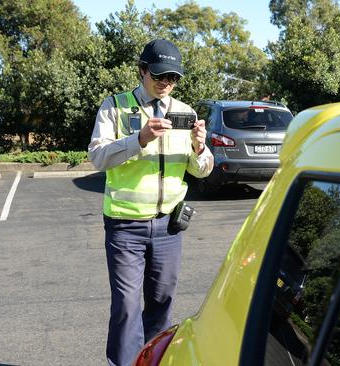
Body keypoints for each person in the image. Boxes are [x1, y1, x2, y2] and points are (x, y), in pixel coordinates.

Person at [88, 39, 213, 366]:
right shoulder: (115, 107)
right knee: (127, 305)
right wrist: (138, 139)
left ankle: (152, 361)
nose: (166, 83)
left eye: (173, 78)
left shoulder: (186, 113)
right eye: (159, 75)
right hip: (125, 226)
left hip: (169, 227)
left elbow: (201, 169)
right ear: (142, 70)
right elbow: (97, 157)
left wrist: (200, 148)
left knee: (161, 301)